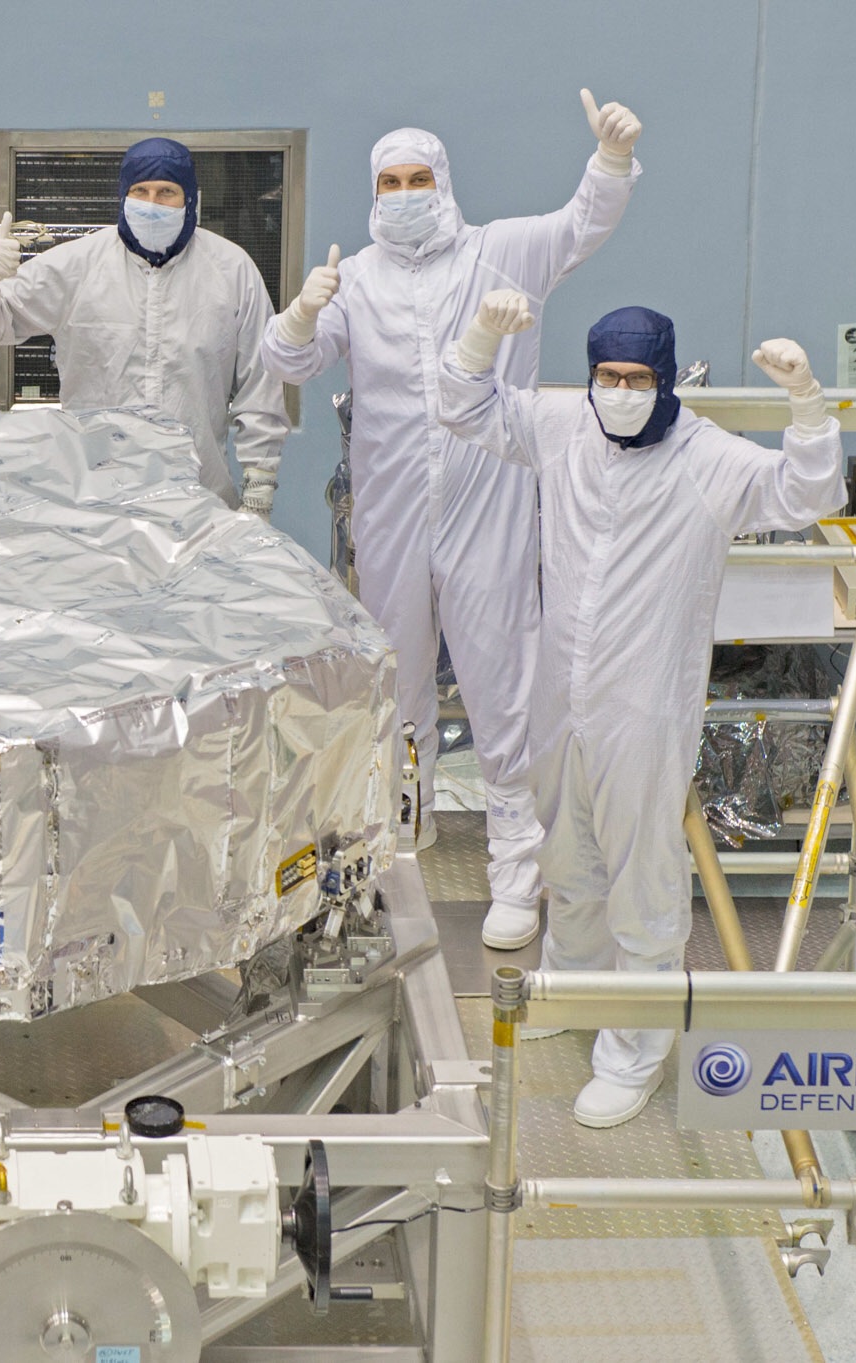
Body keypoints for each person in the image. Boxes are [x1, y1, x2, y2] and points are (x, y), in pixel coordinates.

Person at [438, 290, 844, 1128]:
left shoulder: (708, 458)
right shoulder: (563, 426)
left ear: (665, 381)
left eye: (636, 377)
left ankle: (634, 1049)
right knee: (567, 855)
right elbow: (461, 404)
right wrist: (482, 332)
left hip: (644, 706)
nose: (619, 390)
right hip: (563, 692)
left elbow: (806, 492)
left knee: (642, 880)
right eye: (605, 375)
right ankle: (574, 986)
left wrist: (806, 401)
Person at [260, 90, 643, 953]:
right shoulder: (356, 277)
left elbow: (582, 223)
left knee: (503, 690)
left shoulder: (502, 252)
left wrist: (611, 159)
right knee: (392, 694)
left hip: (491, 508)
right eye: (389, 180)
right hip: (391, 510)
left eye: (418, 177)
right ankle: (399, 853)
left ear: (444, 181)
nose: (404, 193)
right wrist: (303, 309)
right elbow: (286, 361)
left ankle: (516, 871)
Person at [0, 136, 287, 513]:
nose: (151, 203)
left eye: (166, 192)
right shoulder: (76, 266)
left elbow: (262, 381)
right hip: (96, 500)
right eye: (139, 190)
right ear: (123, 196)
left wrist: (260, 485)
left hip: (197, 497)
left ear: (190, 198)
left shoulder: (231, 270)